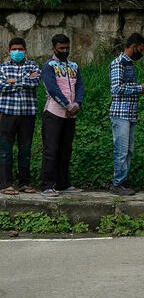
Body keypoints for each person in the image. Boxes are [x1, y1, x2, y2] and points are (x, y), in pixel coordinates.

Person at [109, 33, 144, 196]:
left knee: (128, 150)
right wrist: (139, 88)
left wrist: (141, 89)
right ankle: (117, 183)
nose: (141, 53)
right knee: (121, 150)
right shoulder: (118, 63)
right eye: (140, 50)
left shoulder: (129, 64)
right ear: (133, 46)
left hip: (129, 113)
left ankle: (123, 181)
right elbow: (116, 89)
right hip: (120, 113)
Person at [39, 34, 85, 198]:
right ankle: (47, 185)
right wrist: (68, 105)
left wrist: (77, 104)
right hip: (54, 113)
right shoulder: (48, 66)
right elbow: (52, 88)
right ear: (54, 48)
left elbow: (80, 86)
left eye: (67, 48)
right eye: (61, 48)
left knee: (66, 150)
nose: (65, 51)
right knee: (51, 150)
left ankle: (63, 184)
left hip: (71, 115)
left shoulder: (74, 66)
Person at [0, 38, 41, 195]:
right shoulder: (2, 67)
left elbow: (35, 82)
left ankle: (24, 183)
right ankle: (6, 184)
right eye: (14, 49)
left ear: (25, 50)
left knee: (25, 150)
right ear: (9, 51)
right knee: (5, 149)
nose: (17, 52)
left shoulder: (33, 65)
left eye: (20, 49)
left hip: (27, 114)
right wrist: (24, 80)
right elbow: (1, 85)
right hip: (7, 114)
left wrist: (12, 82)